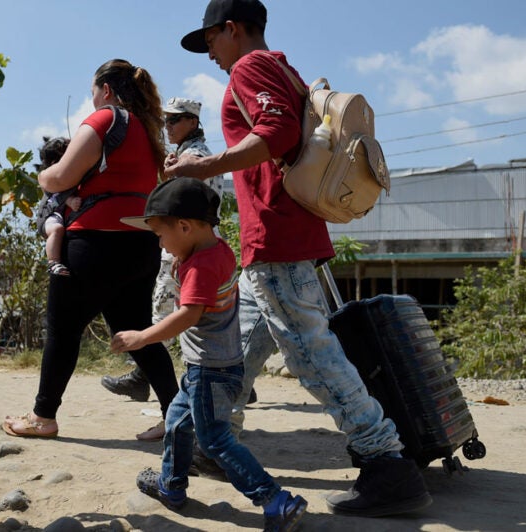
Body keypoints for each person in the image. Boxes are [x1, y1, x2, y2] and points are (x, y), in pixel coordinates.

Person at [169, 0, 433, 518]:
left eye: (211, 41)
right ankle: (211, 441)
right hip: (281, 234)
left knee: (311, 353)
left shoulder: (250, 65)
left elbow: (278, 134)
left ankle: (387, 463)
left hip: (276, 233)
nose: (211, 56)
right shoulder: (283, 67)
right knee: (234, 350)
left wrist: (202, 167)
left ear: (232, 28)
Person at [113, 177, 308, 531]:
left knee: (216, 440)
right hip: (213, 368)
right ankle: (171, 486)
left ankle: (275, 500)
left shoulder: (200, 266)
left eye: (160, 234)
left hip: (209, 371)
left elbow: (188, 315)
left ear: (185, 226)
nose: (160, 243)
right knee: (175, 421)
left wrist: (142, 337)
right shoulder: (216, 250)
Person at [2, 59, 180, 442]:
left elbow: (61, 176)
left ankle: (42, 416)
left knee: (63, 331)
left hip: (95, 242)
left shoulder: (104, 119)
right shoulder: (150, 131)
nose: (93, 99)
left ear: (107, 90)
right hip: (141, 243)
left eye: (93, 92)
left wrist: (42, 176)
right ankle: (177, 416)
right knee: (139, 333)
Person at [101, 97, 241, 404]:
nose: (168, 127)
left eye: (174, 120)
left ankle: (152, 381)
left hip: (188, 247)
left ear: (193, 122)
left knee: (164, 317)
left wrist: (138, 338)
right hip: (193, 242)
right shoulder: (188, 154)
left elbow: (176, 203)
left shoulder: (192, 156)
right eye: (166, 121)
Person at [36, 136, 82, 277]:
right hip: (49, 216)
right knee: (57, 229)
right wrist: (70, 201)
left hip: (59, 215)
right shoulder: (53, 178)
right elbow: (58, 194)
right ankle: (53, 262)